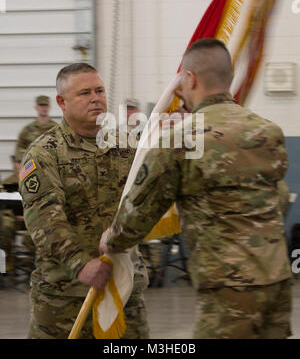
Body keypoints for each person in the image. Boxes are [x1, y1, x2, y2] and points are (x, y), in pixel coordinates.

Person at [100, 38, 292, 339]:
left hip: (229, 286)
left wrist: (112, 240)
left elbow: (141, 207)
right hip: (278, 279)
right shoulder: (267, 130)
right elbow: (279, 197)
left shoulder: (182, 138)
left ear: (190, 78)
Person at [19, 63, 149, 339]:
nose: (96, 98)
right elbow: (45, 220)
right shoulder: (45, 154)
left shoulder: (128, 146)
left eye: (100, 90)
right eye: (85, 93)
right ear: (61, 102)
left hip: (124, 291)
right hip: (64, 299)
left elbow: (150, 195)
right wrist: (80, 265)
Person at [15, 95, 57, 170]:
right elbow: (20, 147)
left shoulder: (56, 128)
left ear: (49, 107)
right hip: (30, 167)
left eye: (46, 106)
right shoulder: (28, 129)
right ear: (36, 107)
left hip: (51, 168)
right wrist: (19, 162)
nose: (44, 108)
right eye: (41, 106)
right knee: (8, 182)